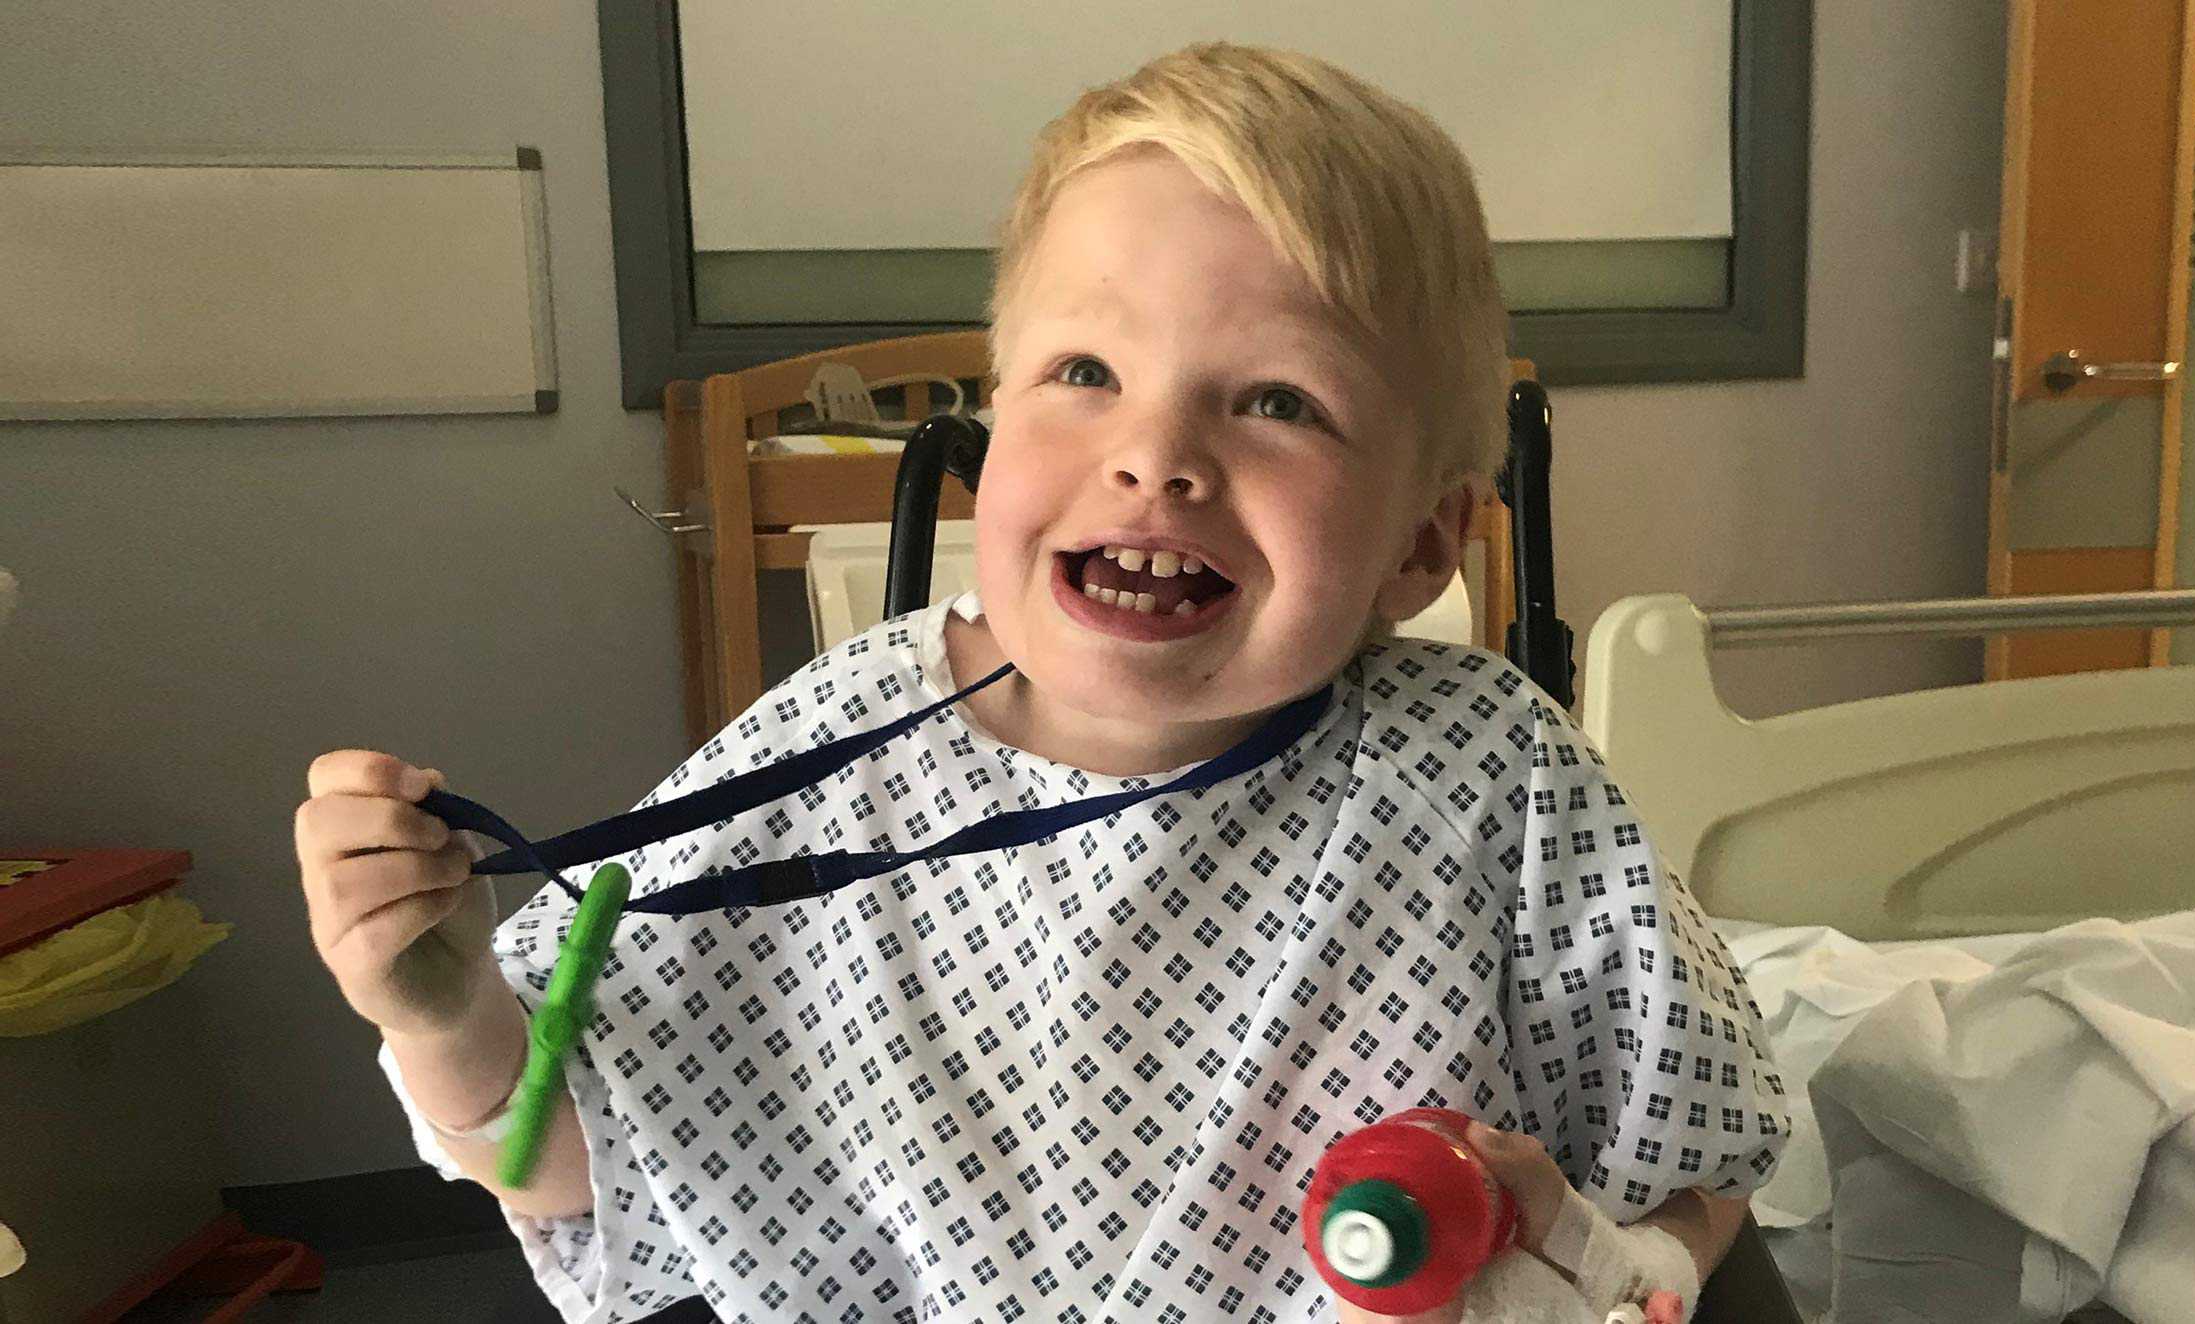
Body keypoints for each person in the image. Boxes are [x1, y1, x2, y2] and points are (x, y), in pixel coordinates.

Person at [293, 42, 1787, 1324]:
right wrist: (442, 1012)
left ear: (1418, 545)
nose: (1157, 455)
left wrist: (1612, 1261)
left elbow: (1701, 1156)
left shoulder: (1483, 776)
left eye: (1278, 401)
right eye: (1085, 373)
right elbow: (592, 1164)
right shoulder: (847, 749)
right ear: (986, 425)